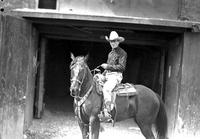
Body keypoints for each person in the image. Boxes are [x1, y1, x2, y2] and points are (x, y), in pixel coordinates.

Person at [100, 31, 127, 120]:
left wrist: (108, 66)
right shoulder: (110, 54)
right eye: (111, 41)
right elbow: (107, 68)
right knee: (96, 83)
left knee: (106, 88)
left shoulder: (122, 53)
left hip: (116, 76)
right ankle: (98, 109)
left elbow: (122, 67)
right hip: (108, 74)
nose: (113, 43)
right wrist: (101, 74)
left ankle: (108, 112)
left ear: (118, 42)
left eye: (115, 41)